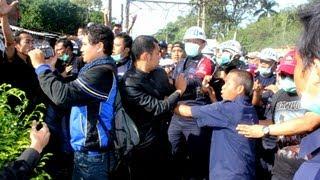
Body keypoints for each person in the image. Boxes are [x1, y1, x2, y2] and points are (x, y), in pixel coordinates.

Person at [236, 2, 320, 179]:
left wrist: (265, 131)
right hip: (283, 160)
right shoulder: (279, 96)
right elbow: (273, 120)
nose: (289, 77)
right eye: (283, 73)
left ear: (315, 68)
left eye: (293, 71)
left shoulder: (312, 102)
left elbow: (309, 121)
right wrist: (255, 124)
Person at [28, 24, 116, 179]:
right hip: (86, 153)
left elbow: (63, 96)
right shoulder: (94, 69)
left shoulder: (102, 72)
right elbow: (69, 89)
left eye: (85, 44)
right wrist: (51, 69)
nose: (81, 49)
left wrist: (40, 67)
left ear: (99, 46)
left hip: (92, 156)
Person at [120, 35, 187, 180]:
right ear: (146, 56)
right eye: (157, 53)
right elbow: (158, 107)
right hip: (142, 145)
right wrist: (179, 91)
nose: (161, 56)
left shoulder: (159, 73)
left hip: (163, 137)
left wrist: (174, 94)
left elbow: (168, 98)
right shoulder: (129, 82)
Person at [175, 69, 258, 180]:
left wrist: (175, 94)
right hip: (244, 172)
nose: (223, 87)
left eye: (227, 83)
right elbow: (226, 119)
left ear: (240, 89)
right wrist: (214, 99)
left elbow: (186, 111)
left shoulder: (226, 108)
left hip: (228, 175)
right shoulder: (247, 107)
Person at [168, 26, 214, 179]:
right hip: (177, 113)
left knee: (197, 157)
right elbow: (174, 84)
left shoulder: (206, 62)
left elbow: (196, 79)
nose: (191, 44)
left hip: (195, 116)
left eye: (195, 41)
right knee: (173, 151)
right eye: (188, 41)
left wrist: (176, 82)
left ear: (203, 44)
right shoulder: (181, 63)